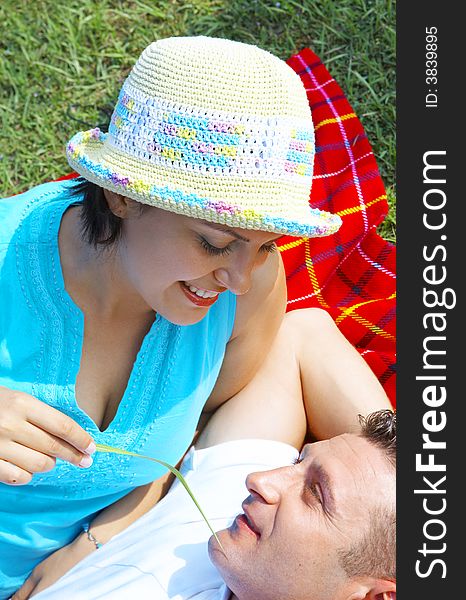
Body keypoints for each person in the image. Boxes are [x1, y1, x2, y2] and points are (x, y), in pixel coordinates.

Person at [0, 34, 363, 597]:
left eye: (266, 245)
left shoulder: (250, 292)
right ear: (121, 196)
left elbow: (189, 440)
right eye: (215, 243)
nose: (241, 278)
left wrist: (96, 540)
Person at [13, 308, 394, 599]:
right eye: (299, 461)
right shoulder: (234, 515)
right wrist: (97, 538)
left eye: (314, 494)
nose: (259, 480)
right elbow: (304, 335)